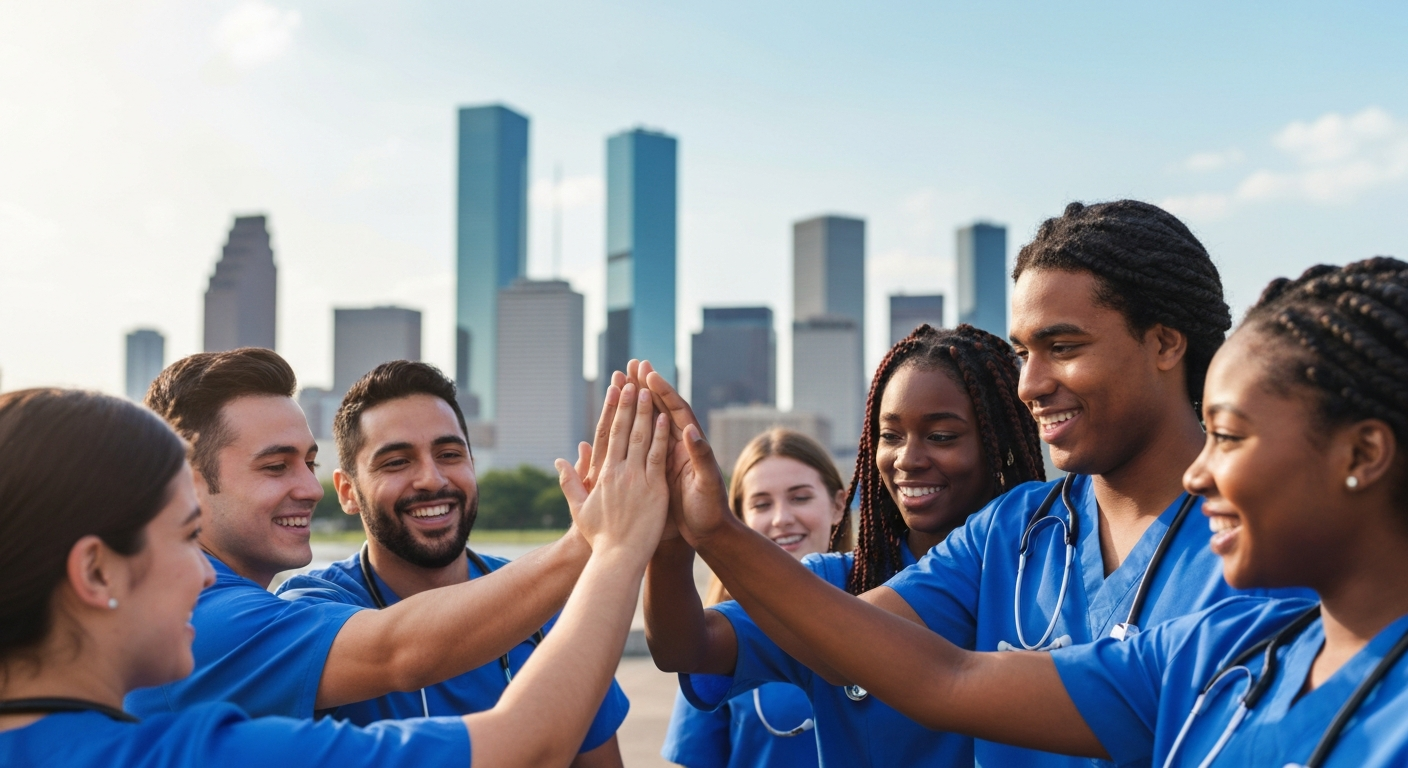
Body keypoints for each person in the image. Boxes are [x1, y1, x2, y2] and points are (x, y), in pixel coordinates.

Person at [656, 258, 1408, 767]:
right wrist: (700, 536)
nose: (1030, 383)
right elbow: (937, 677)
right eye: (1022, 353)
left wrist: (716, 534)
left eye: (1230, 436)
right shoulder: (1217, 652)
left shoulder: (1257, 600)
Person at [0, 382, 671, 767]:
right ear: (94, 570)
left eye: (450, 453)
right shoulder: (190, 754)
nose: (204, 578)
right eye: (184, 538)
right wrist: (608, 544)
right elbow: (525, 741)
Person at [125, 348, 613, 724]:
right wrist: (597, 538)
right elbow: (401, 652)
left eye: (309, 463)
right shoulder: (195, 614)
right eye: (276, 467)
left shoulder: (212, 599)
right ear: (186, 480)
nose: (307, 489)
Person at [648, 323, 1044, 767]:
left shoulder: (1048, 575)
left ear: (1001, 444)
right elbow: (685, 647)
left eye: (941, 436)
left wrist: (717, 531)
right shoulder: (833, 583)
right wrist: (669, 541)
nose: (908, 459)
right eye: (890, 436)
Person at [275, 361, 626, 765]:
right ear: (348, 491)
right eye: (396, 462)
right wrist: (599, 541)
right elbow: (403, 651)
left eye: (449, 454)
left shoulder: (552, 601)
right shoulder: (310, 608)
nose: (432, 479)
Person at [661, 428, 844, 768]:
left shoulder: (894, 608)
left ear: (838, 505)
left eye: (800, 497)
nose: (781, 518)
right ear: (738, 519)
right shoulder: (721, 641)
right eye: (761, 504)